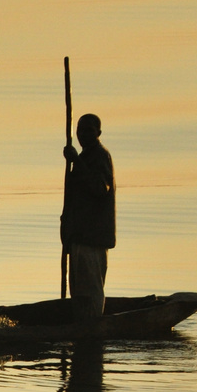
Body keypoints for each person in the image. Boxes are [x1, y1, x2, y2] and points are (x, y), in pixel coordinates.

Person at [61, 113, 116, 320]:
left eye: (88, 131)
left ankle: (92, 324)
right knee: (80, 289)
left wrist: (76, 160)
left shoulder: (100, 156)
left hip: (92, 237)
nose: (83, 135)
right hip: (79, 235)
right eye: (80, 131)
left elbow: (100, 188)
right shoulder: (85, 157)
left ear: (98, 133)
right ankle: (83, 323)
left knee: (90, 288)